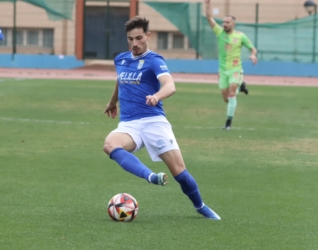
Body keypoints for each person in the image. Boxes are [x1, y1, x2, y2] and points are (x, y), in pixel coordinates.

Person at [103, 16, 221, 220]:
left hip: (153, 121)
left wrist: (156, 96)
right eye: (130, 39)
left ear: (148, 36)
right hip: (129, 123)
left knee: (180, 173)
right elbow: (120, 80)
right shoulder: (121, 59)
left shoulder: (155, 60)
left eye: (139, 38)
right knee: (110, 145)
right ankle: (150, 176)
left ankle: (200, 206)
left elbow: (170, 85)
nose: (134, 44)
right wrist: (113, 102)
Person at [205, 0, 257, 129]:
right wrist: (207, 4)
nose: (224, 24)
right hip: (222, 71)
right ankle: (242, 86)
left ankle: (228, 124)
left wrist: (253, 54)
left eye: (227, 22)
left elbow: (252, 48)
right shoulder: (219, 32)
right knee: (227, 99)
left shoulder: (240, 36)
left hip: (235, 69)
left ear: (233, 24)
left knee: (232, 93)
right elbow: (209, 18)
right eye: (223, 22)